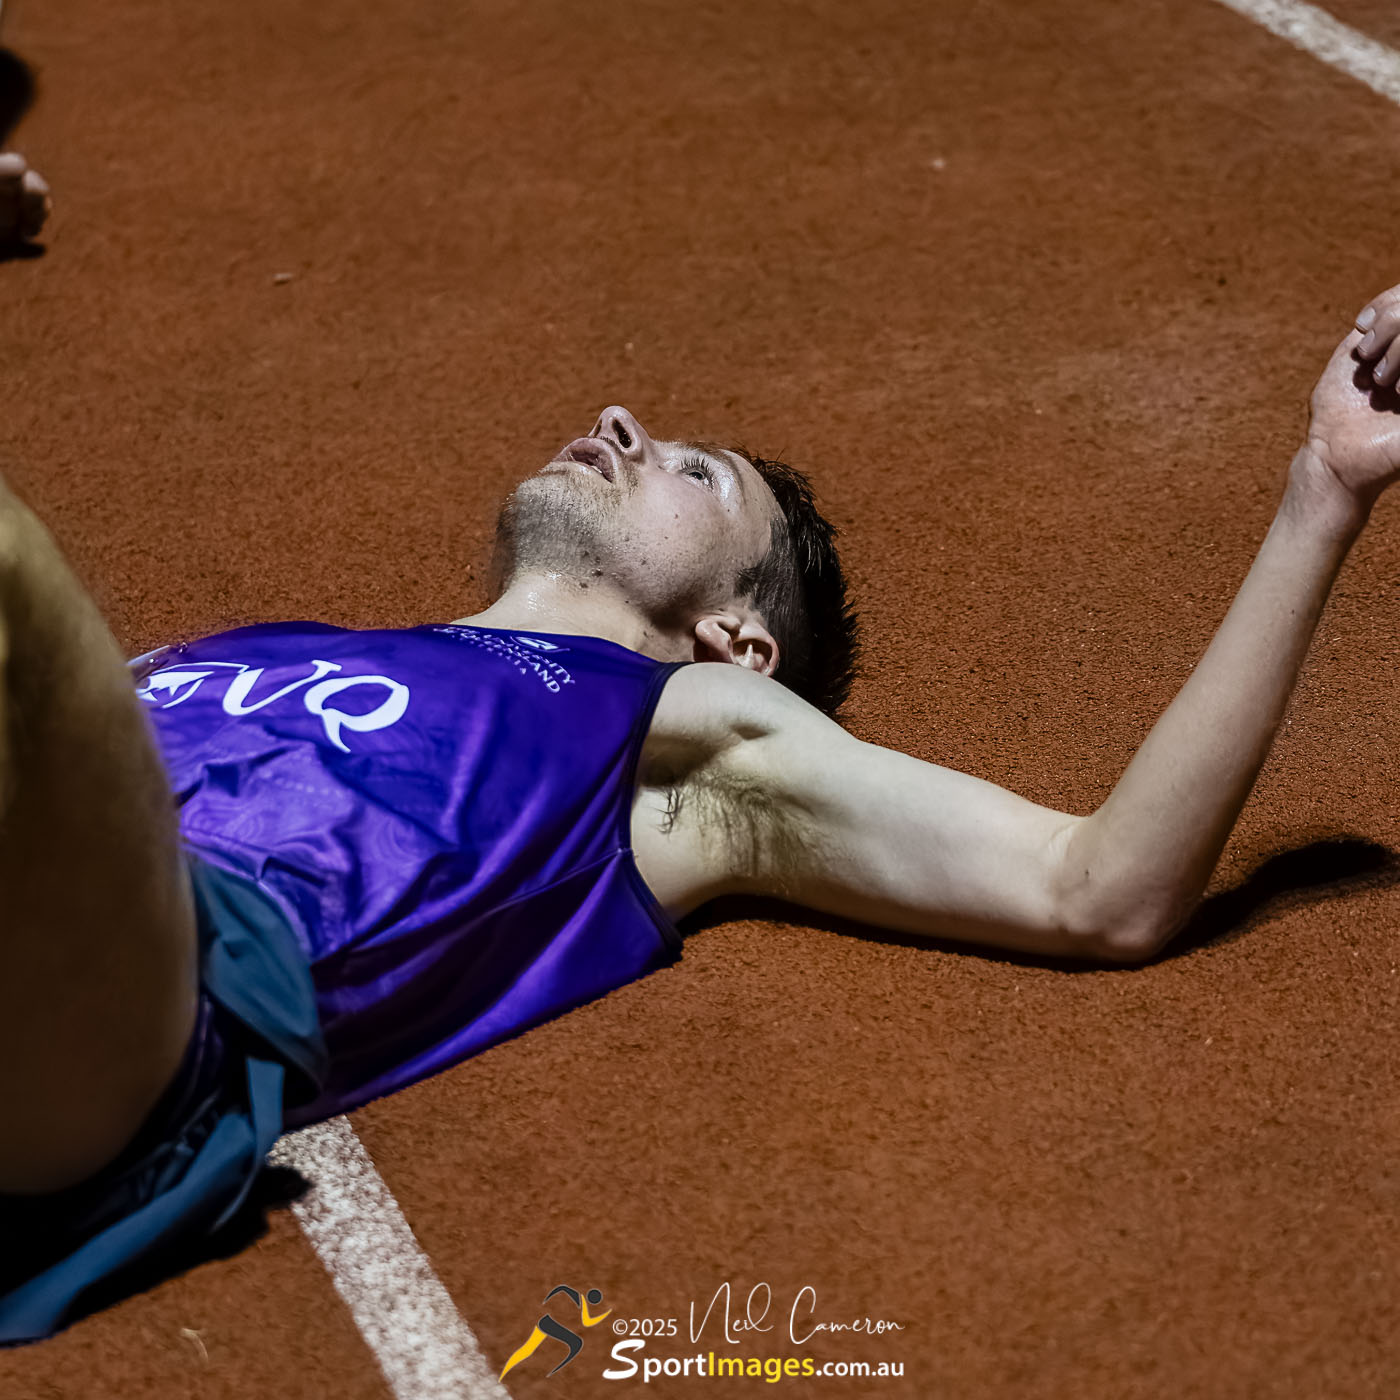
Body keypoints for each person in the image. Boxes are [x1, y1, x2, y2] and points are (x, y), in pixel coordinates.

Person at [2, 279, 1399, 1344]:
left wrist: (1323, 490)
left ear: (737, 637)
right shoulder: (274, 647)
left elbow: (1096, 887)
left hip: (170, 991)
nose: (622, 423)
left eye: (695, 471)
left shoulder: (683, 732)